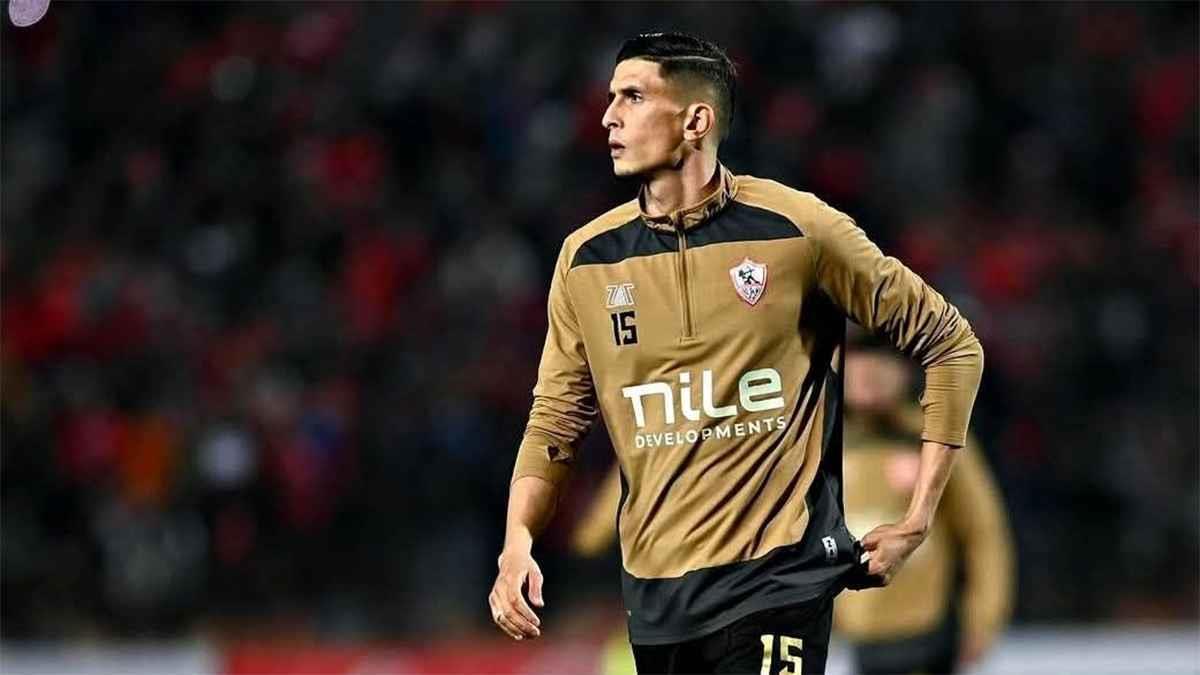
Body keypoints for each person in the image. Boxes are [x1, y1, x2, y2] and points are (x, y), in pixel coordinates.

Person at [488, 31, 985, 674]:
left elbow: (951, 343)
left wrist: (917, 518)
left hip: (779, 582)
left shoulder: (799, 230)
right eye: (611, 97)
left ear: (696, 121)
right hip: (658, 597)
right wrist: (517, 540)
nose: (608, 116)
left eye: (633, 97)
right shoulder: (586, 261)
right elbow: (555, 419)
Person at [835, 338, 1014, 674]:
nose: (867, 371)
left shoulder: (936, 437)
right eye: (856, 359)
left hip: (927, 626)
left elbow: (982, 531)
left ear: (904, 369)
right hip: (862, 631)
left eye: (879, 358)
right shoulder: (826, 442)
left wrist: (983, 615)